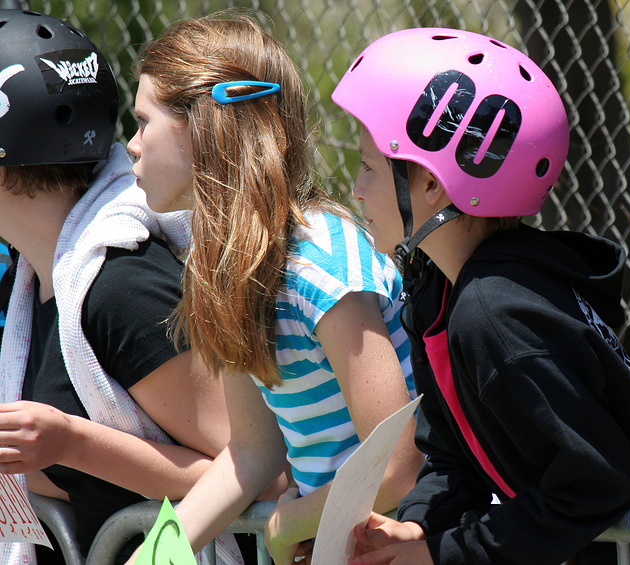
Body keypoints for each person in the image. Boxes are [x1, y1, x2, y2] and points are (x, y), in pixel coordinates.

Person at [331, 26, 630, 565]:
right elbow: (453, 459)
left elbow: (596, 480)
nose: (356, 189)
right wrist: (418, 527)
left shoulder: (496, 313)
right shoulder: (437, 291)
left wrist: (445, 556)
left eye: (369, 166)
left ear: (432, 184)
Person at [123, 11, 423, 565]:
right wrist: (155, 555)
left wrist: (287, 526)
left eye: (143, 122)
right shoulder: (222, 270)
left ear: (205, 128)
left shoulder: (321, 263)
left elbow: (397, 467)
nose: (131, 145)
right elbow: (252, 451)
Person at [0, 9, 242, 565]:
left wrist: (71, 442)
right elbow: (77, 485)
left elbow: (255, 472)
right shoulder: (33, 281)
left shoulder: (120, 287)